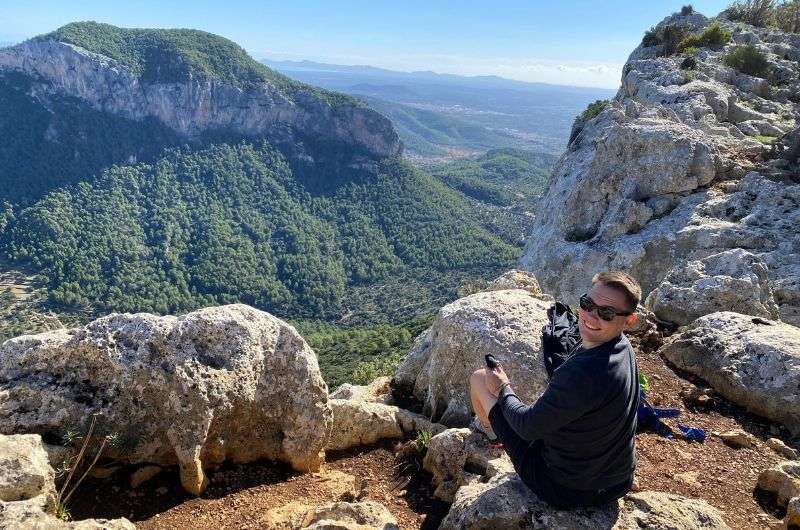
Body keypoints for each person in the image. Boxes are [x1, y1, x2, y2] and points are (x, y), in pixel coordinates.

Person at [468, 270, 641, 509]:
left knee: (479, 379)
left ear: (630, 320)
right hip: (618, 480)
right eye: (587, 303)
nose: (591, 315)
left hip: (566, 489)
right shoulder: (621, 346)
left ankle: (492, 435)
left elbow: (527, 427)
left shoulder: (584, 373)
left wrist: (503, 388)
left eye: (606, 313)